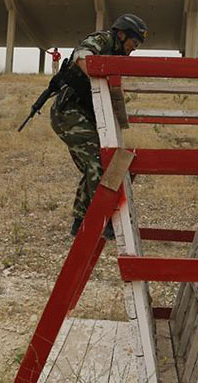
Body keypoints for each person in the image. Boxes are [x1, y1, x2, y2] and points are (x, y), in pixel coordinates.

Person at [50, 14, 148, 239]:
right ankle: (101, 219)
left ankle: (80, 221)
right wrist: (99, 75)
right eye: (133, 44)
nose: (132, 50)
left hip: (86, 113)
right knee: (97, 161)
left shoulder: (118, 54)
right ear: (121, 35)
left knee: (97, 163)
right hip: (69, 111)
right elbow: (82, 56)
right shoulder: (103, 40)